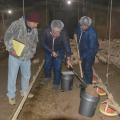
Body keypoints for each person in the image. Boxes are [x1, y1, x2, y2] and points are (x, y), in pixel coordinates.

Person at [4, 12, 40, 105]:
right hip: (15, 56)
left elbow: (35, 42)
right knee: (13, 76)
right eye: (35, 23)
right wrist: (11, 49)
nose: (36, 25)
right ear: (29, 21)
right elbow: (7, 37)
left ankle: (24, 91)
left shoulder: (34, 29)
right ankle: (11, 95)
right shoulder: (16, 24)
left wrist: (32, 52)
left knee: (27, 75)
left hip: (26, 56)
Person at [42, 20, 72, 90]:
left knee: (57, 66)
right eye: (55, 32)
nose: (58, 34)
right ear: (51, 29)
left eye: (59, 32)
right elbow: (43, 43)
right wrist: (51, 51)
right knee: (47, 64)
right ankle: (47, 77)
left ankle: (56, 83)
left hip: (59, 50)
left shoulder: (63, 33)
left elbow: (67, 46)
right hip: (48, 49)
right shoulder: (46, 31)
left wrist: (68, 58)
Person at [74, 16, 99, 84]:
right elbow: (76, 30)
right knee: (83, 65)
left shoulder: (92, 33)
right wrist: (75, 34)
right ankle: (85, 80)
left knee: (87, 66)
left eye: (85, 26)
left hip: (91, 50)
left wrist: (82, 57)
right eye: (82, 25)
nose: (83, 27)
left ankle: (88, 83)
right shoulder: (80, 27)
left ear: (88, 25)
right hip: (82, 48)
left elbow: (91, 48)